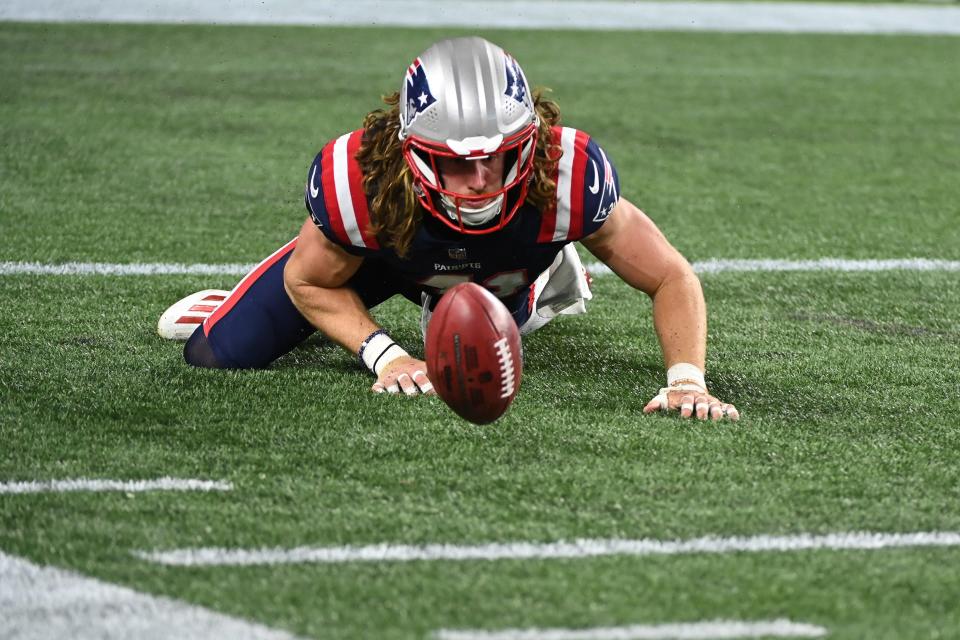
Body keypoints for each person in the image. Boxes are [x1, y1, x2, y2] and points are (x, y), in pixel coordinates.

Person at [159, 36, 739, 421]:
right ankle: (231, 302)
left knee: (482, 327)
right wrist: (386, 355)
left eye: (498, 155)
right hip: (386, 259)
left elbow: (670, 276)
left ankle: (530, 282)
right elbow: (309, 283)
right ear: (412, 150)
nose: (481, 177)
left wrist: (687, 380)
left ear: (528, 139)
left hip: (498, 269)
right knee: (216, 353)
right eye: (458, 160)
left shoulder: (565, 172)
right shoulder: (365, 180)